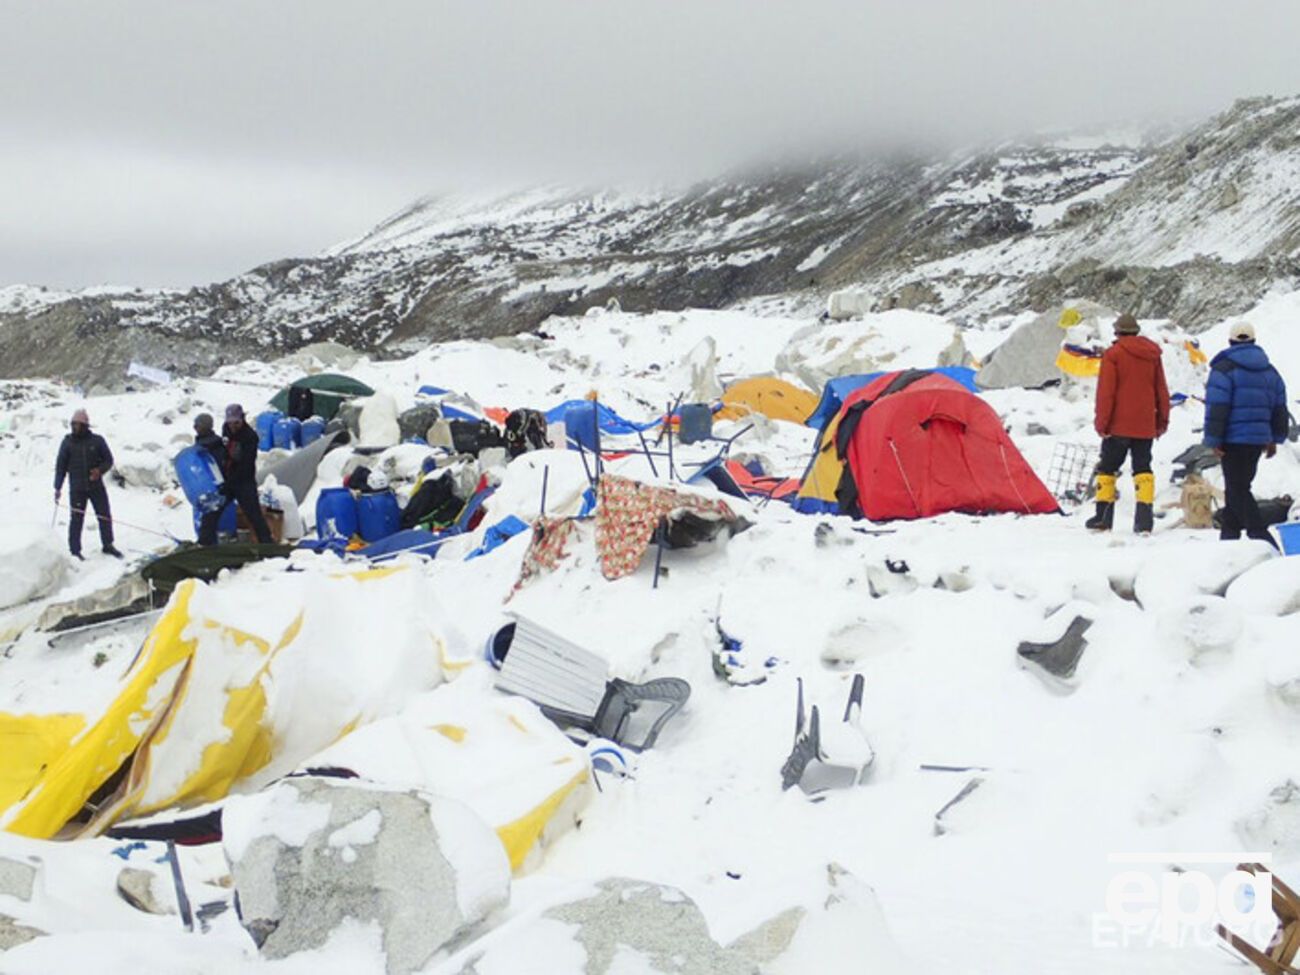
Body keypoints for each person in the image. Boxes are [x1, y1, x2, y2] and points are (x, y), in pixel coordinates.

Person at [1203, 322, 1288, 547]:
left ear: (1230, 341)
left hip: (1232, 439)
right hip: (1258, 439)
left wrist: (1214, 439)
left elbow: (1217, 407)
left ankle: (1261, 537)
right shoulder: (1270, 371)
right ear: (1253, 340)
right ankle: (1229, 538)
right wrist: (1274, 438)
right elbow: (1280, 407)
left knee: (1238, 488)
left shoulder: (1223, 369)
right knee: (1237, 487)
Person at [1088, 313, 1171, 534]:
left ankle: (1102, 518)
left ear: (1117, 332)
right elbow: (1161, 389)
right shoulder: (1152, 355)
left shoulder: (1113, 354)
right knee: (1143, 468)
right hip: (1145, 424)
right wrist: (1162, 420)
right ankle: (1144, 521)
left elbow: (1106, 394)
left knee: (1108, 469)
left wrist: (1102, 423)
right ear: (1136, 331)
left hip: (1118, 425)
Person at [54, 408, 123, 560]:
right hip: (77, 488)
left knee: (104, 515)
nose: (75, 427)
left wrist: (100, 470)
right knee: (76, 519)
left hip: (96, 486)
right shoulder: (67, 443)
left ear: (86, 426)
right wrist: (57, 487)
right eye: (73, 424)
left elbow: (108, 460)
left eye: (78, 424)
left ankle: (108, 544)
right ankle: (75, 551)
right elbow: (61, 467)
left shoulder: (97, 441)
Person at [199, 404, 273, 545]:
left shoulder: (250, 437)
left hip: (244, 482)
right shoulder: (226, 429)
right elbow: (224, 450)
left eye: (236, 423)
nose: (233, 426)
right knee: (212, 512)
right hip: (227, 480)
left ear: (242, 419)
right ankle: (205, 544)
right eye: (230, 423)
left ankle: (267, 544)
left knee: (254, 515)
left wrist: (230, 482)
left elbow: (246, 465)